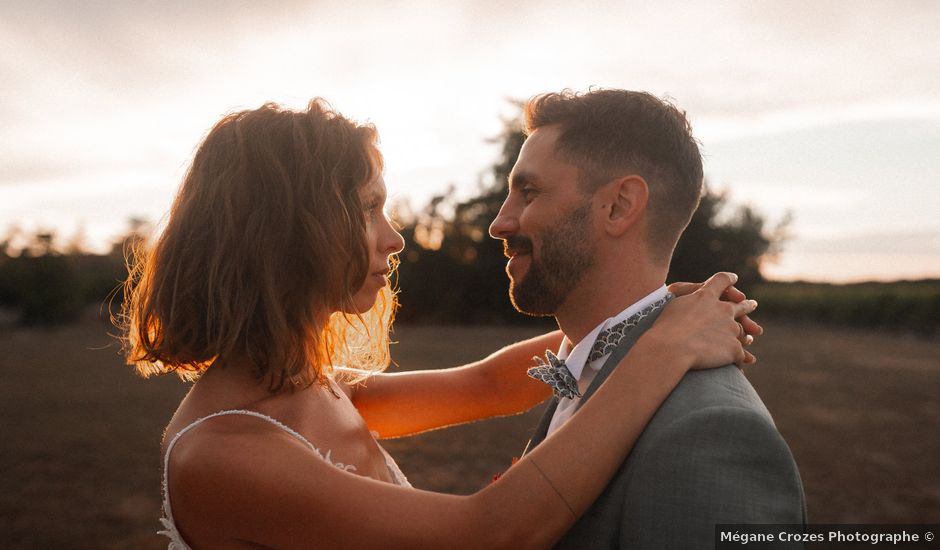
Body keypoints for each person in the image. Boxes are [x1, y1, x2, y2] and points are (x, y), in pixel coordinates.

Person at [122, 99, 759, 549]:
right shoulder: (223, 454)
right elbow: (489, 533)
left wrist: (646, 316)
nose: (394, 239)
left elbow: (486, 385)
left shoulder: (311, 384)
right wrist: (663, 351)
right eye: (369, 209)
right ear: (285, 235)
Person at [488, 88, 807, 549]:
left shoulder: (712, 434)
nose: (500, 222)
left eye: (529, 192)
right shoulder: (588, 366)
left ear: (619, 206)